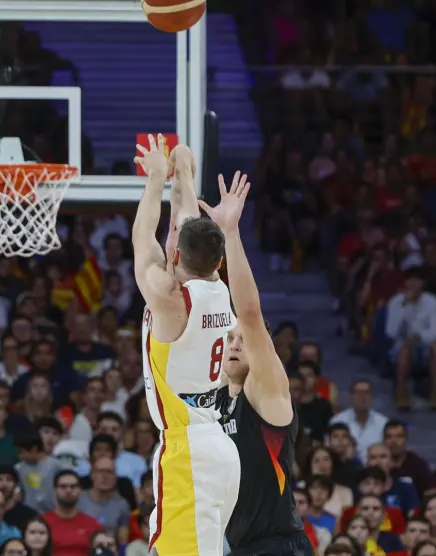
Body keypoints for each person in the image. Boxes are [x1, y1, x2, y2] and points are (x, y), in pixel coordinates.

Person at [131, 136, 241, 555]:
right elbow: (188, 222)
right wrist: (184, 171)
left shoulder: (170, 299)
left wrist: (156, 177)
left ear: (176, 256)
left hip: (188, 449)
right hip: (216, 442)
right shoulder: (219, 288)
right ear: (218, 261)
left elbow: (143, 239)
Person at [201, 171, 314, 556]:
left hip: (280, 546)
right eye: (228, 338)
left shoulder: (266, 393)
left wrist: (229, 232)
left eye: (242, 340)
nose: (234, 343)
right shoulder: (216, 400)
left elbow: (248, 313)